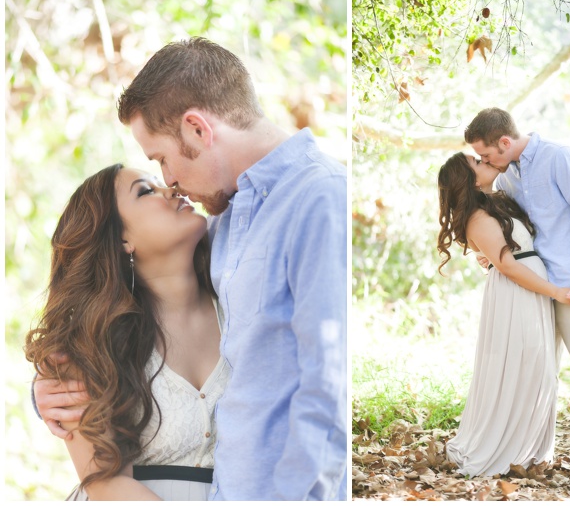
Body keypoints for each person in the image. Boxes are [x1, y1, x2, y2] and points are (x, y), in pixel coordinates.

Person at [34, 37, 347, 500]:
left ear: (198, 129)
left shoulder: (318, 199)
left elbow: (329, 384)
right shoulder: (222, 224)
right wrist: (47, 394)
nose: (169, 182)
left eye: (161, 159)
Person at [26, 164, 228, 500]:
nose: (172, 189)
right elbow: (103, 482)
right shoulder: (87, 348)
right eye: (146, 191)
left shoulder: (240, 306)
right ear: (122, 240)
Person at [464, 107, 570, 482]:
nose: (485, 162)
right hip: (535, 290)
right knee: (539, 374)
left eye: (486, 155)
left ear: (504, 142)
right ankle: (530, 453)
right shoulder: (508, 176)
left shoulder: (559, 158)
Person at [437, 152, 570, 477]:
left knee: (540, 366)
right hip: (517, 293)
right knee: (528, 364)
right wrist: (557, 292)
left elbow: (501, 253)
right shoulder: (477, 216)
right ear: (470, 179)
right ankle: (508, 450)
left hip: (529, 288)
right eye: (476, 161)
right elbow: (507, 265)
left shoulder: (497, 202)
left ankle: (529, 450)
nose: (482, 159)